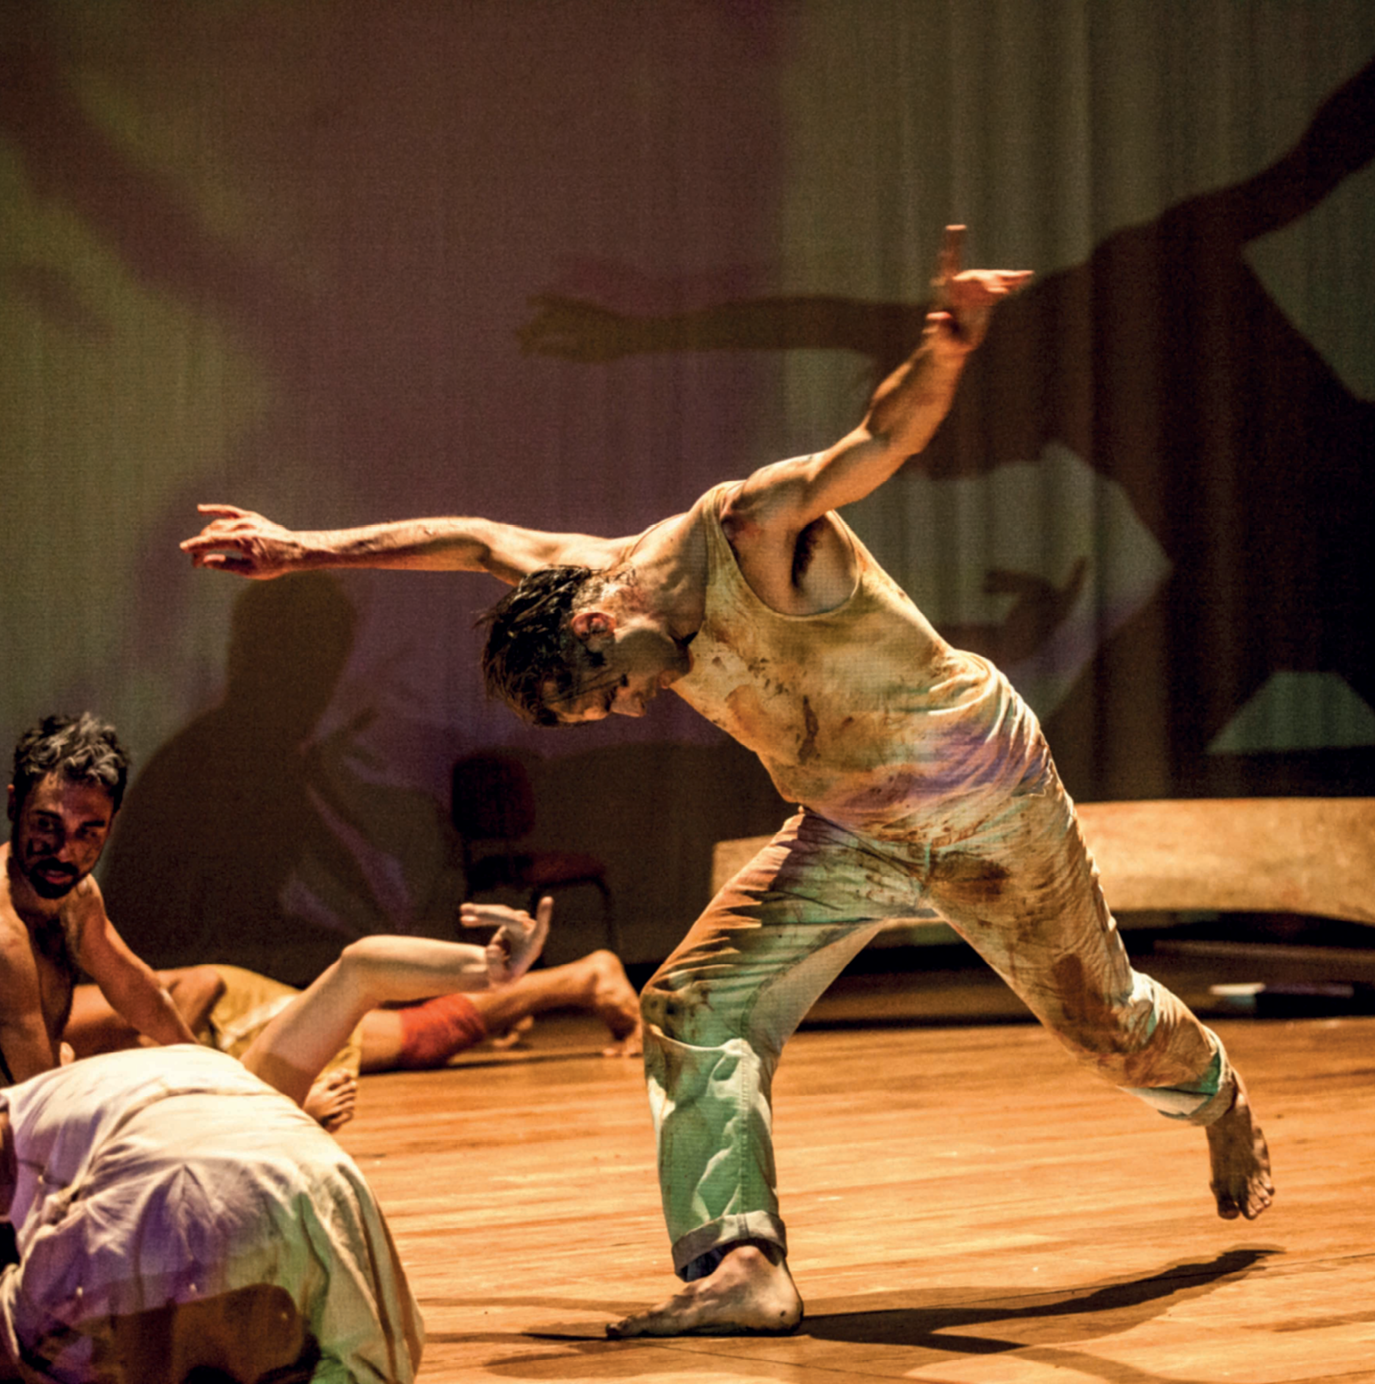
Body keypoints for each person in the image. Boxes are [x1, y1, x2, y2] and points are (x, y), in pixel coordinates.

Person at [179, 224, 1275, 1338]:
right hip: (848, 829)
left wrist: (945, 348)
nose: (624, 709)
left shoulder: (751, 531)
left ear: (602, 624)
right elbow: (469, 538)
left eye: (604, 691)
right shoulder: (584, 579)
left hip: (984, 799)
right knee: (695, 1003)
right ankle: (740, 1267)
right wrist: (300, 549)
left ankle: (1215, 1095)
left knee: (1106, 1025)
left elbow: (876, 442)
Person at [0, 891, 550, 1381]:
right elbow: (362, 968)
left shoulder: (35, 1102)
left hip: (174, 1190)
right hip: (303, 1171)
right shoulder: (226, 1075)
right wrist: (489, 967)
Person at [61, 944, 644, 1131]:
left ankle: (584, 977)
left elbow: (193, 983)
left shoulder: (52, 1016)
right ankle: (548, 992)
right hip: (230, 1040)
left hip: (237, 1017)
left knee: (415, 1036)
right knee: (415, 1034)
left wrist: (180, 1057)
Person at [1, 715, 196, 1086]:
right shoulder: (5, 938)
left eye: (87, 832)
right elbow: (37, 1105)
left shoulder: (78, 894)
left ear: (111, 825)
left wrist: (222, 1079)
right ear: (14, 805)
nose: (63, 852)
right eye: (47, 825)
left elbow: (137, 991)